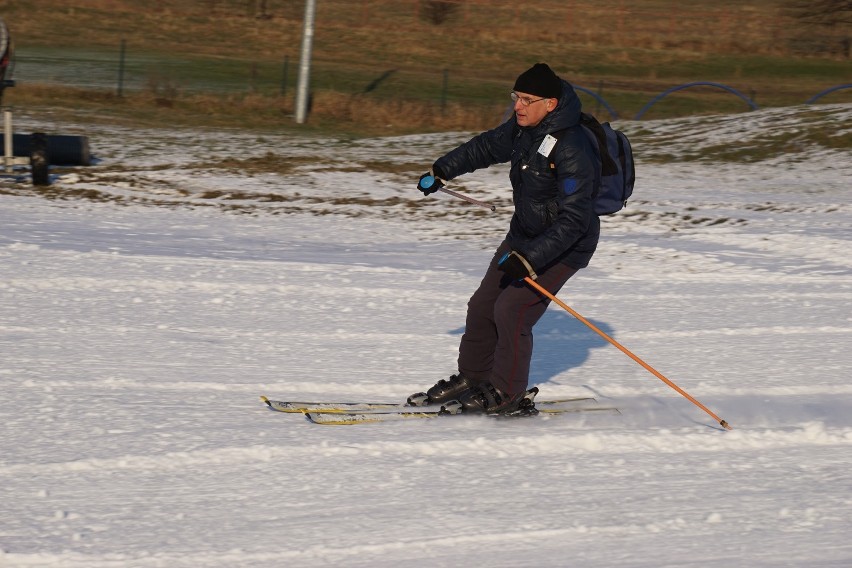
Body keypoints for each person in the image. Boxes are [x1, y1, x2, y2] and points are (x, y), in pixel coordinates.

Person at [410, 63, 601, 414]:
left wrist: (530, 260)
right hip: (523, 236)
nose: (518, 106)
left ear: (551, 104)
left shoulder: (573, 147)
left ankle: (508, 392)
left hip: (565, 246)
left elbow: (574, 220)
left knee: (511, 310)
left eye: (528, 100)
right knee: (482, 305)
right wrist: (442, 170)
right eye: (516, 97)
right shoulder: (523, 130)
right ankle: (474, 377)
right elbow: (484, 147)